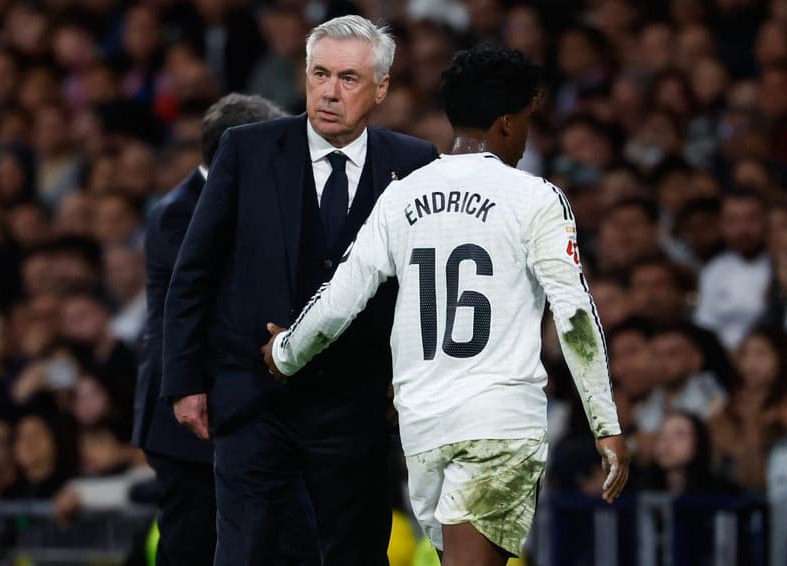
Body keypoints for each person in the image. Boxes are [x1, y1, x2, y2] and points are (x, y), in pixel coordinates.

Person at [263, 44, 629, 565]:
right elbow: (573, 315)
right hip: (497, 421)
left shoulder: (399, 197)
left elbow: (339, 298)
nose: (527, 136)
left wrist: (285, 352)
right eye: (525, 120)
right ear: (505, 123)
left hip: (423, 425)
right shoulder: (535, 198)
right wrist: (606, 423)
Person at [161, 15, 438, 566]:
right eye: (319, 74)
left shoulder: (414, 163)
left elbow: (423, 287)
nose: (329, 92)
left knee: (355, 553)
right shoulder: (246, 149)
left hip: (357, 403)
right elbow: (195, 271)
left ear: (381, 88)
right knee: (244, 552)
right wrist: (185, 382)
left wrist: (411, 382)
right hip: (253, 398)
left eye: (349, 79)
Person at [132, 93, 298, 566]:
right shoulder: (179, 213)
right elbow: (215, 302)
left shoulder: (232, 203)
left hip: (233, 405)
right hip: (186, 415)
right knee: (192, 545)